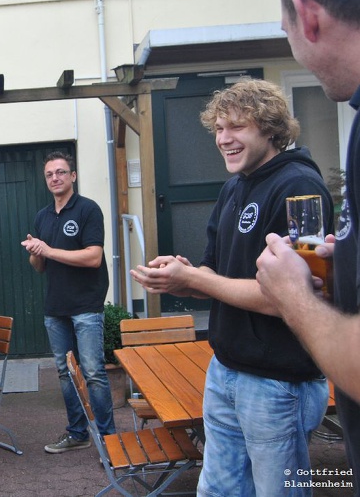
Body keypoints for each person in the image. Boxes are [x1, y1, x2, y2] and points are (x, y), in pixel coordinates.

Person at [131, 79, 332, 494]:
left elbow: (295, 300)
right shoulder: (233, 188)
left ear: (270, 129)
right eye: (219, 129)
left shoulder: (299, 187)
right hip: (225, 369)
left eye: (237, 127)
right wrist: (184, 279)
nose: (224, 139)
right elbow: (216, 274)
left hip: (279, 382)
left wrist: (197, 279)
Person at [255, 0, 360, 494]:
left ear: (308, 17)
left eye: (285, 29)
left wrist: (293, 296)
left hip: (283, 379)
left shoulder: (296, 180)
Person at [21, 151, 115, 454]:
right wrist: (36, 252)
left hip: (86, 304)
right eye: (49, 174)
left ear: (73, 176)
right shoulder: (43, 216)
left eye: (61, 172)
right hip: (56, 307)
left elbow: (93, 257)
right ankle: (77, 433)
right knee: (65, 372)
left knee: (93, 373)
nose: (55, 178)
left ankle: (109, 440)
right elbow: (40, 267)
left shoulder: (88, 209)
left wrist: (48, 250)